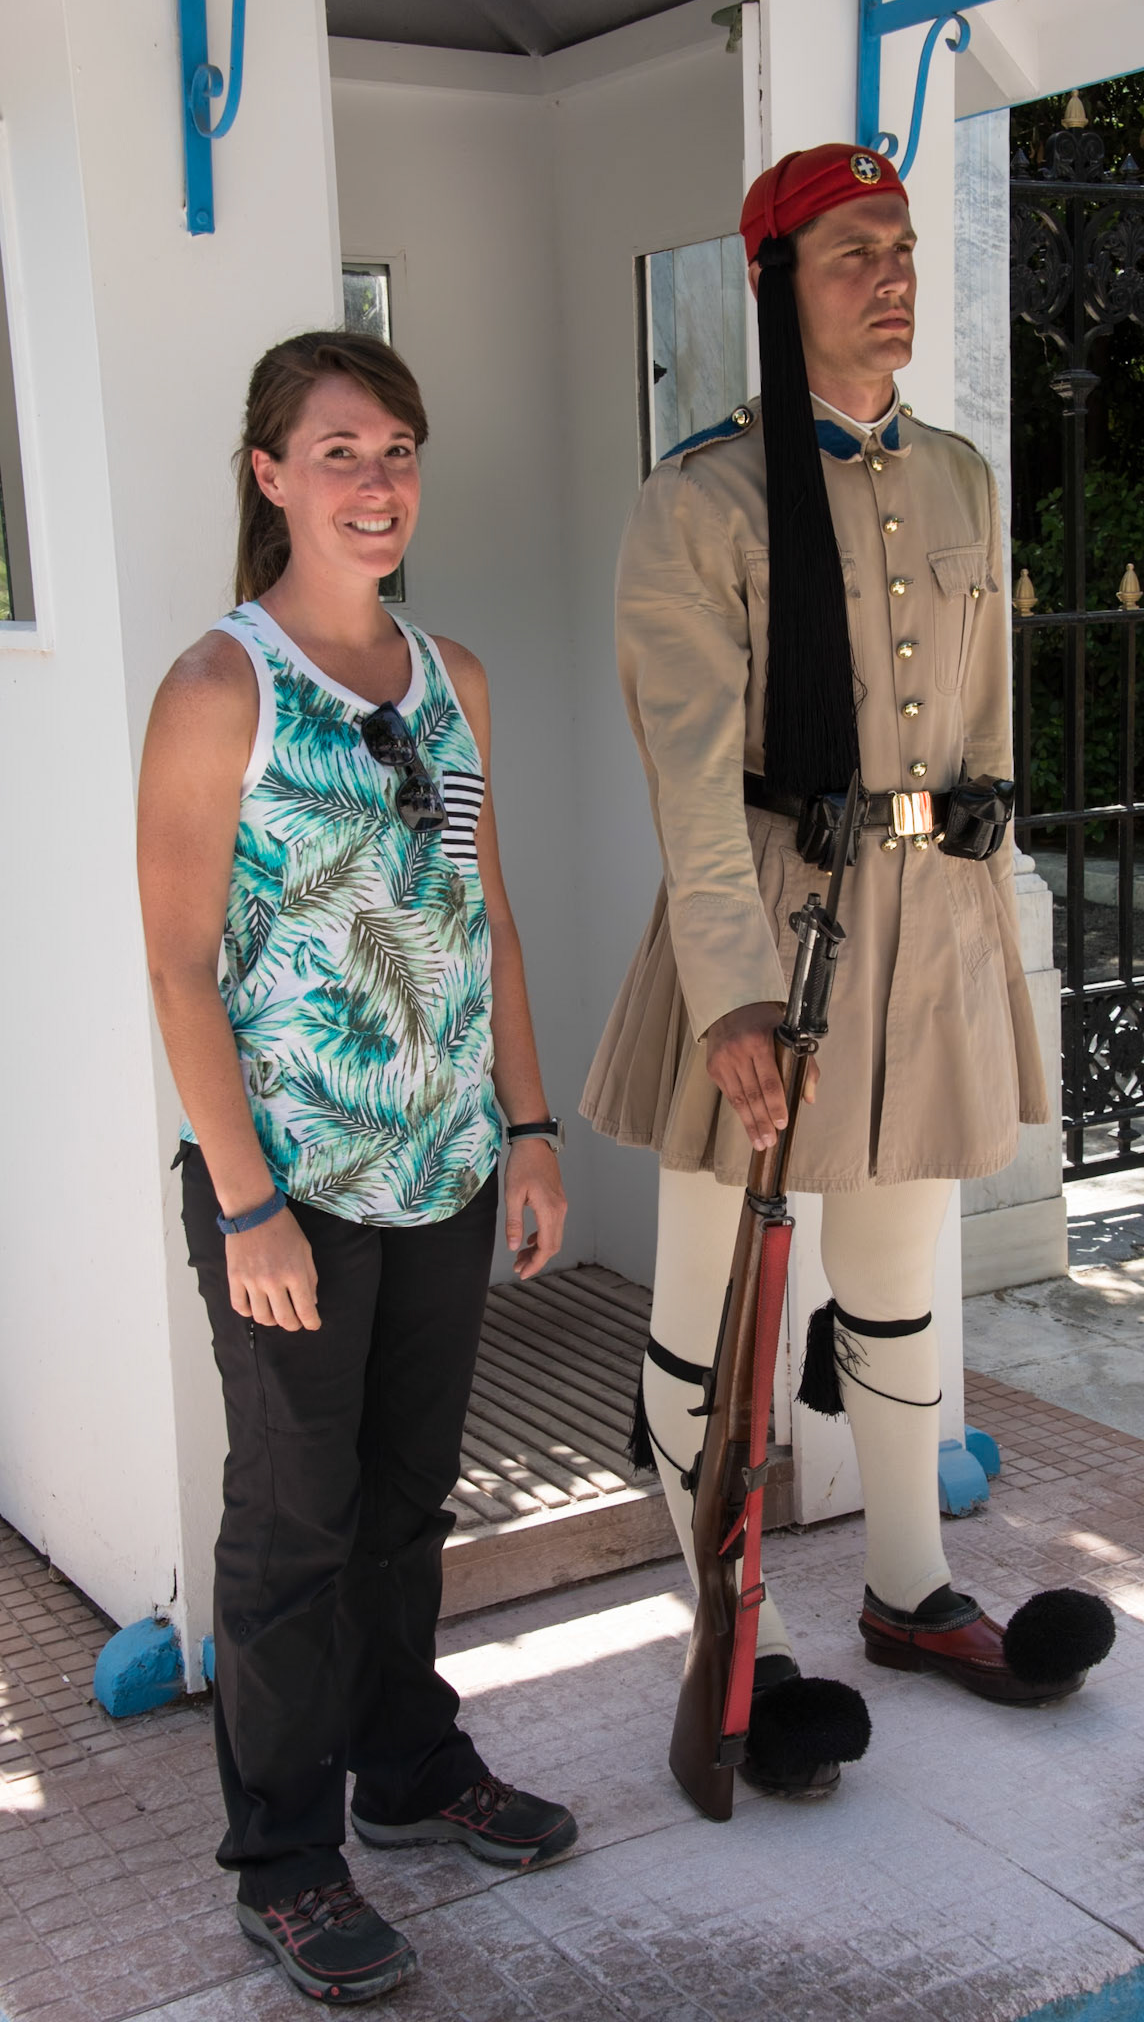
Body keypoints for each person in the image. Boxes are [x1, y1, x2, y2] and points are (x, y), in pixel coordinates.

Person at [582, 145, 1113, 1795]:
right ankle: (739, 1637)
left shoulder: (958, 480)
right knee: (713, 1327)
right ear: (773, 286)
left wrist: (986, 907)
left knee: (893, 1291)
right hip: (763, 942)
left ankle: (909, 1590)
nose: (888, 276)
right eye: (847, 255)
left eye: (899, 248)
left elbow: (988, 738)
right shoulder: (702, 500)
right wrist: (736, 996)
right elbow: (685, 770)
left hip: (923, 938)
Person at [138, 331, 576, 2005]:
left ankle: (407, 1768)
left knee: (402, 1505)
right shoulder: (219, 688)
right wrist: (245, 1199)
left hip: (450, 1165)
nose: (377, 483)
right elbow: (180, 963)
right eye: (339, 452)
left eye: (396, 450)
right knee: (293, 1529)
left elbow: (483, 919)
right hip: (291, 1193)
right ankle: (286, 1858)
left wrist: (528, 1130)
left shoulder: (453, 676)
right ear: (270, 477)